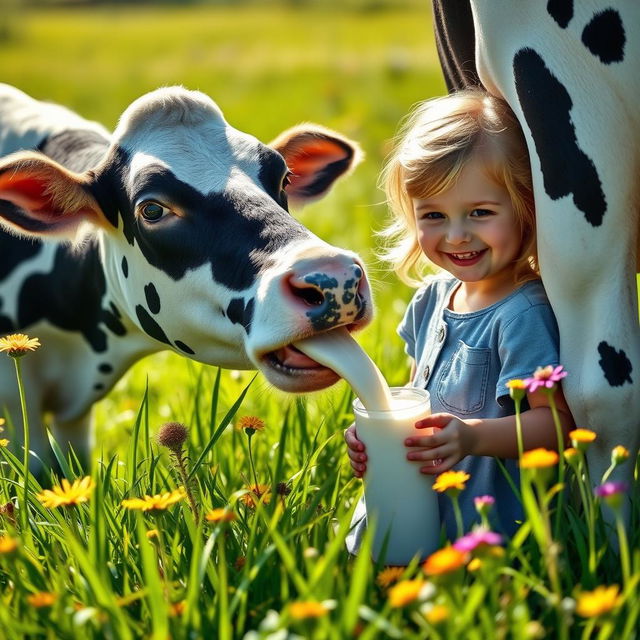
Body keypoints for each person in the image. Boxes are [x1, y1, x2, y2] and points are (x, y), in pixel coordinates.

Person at [344, 89, 575, 544]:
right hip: (419, 511)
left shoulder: (523, 313)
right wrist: (378, 433)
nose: (455, 235)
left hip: (490, 526)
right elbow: (416, 398)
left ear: (526, 207)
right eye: (433, 215)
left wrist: (471, 437)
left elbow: (559, 426)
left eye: (480, 213)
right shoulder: (432, 298)